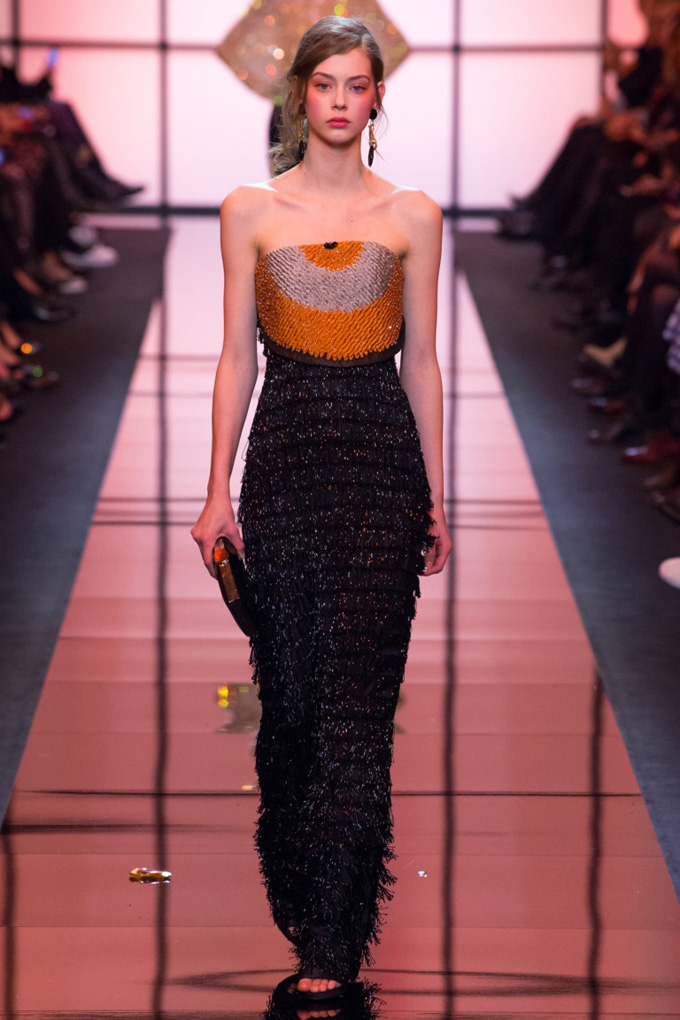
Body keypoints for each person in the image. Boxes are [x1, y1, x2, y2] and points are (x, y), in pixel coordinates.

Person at [191, 15, 451, 1006]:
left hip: (381, 474)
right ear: (298, 95)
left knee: (355, 714)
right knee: (291, 707)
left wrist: (436, 494)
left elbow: (422, 363)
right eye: (325, 84)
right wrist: (215, 490)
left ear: (377, 97)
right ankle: (300, 887)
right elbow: (235, 358)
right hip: (284, 470)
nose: (341, 101)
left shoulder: (414, 215)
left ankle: (335, 937)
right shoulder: (248, 211)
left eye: (357, 84)